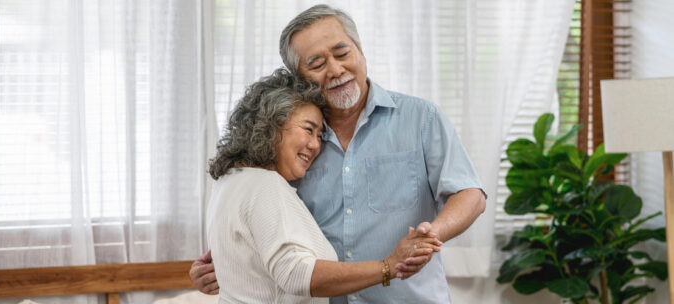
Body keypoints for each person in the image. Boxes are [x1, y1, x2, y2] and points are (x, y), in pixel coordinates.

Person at [192, 4, 487, 303]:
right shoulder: (291, 143)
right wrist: (230, 262)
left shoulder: (421, 117)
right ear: (299, 78)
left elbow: (471, 194)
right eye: (317, 63)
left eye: (342, 53)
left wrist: (431, 234)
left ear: (360, 51)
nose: (335, 69)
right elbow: (264, 216)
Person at [205, 68, 441, 303]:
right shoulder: (265, 185)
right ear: (271, 125)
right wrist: (388, 266)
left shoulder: (228, 181)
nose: (316, 145)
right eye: (308, 130)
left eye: (320, 135)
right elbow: (295, 274)